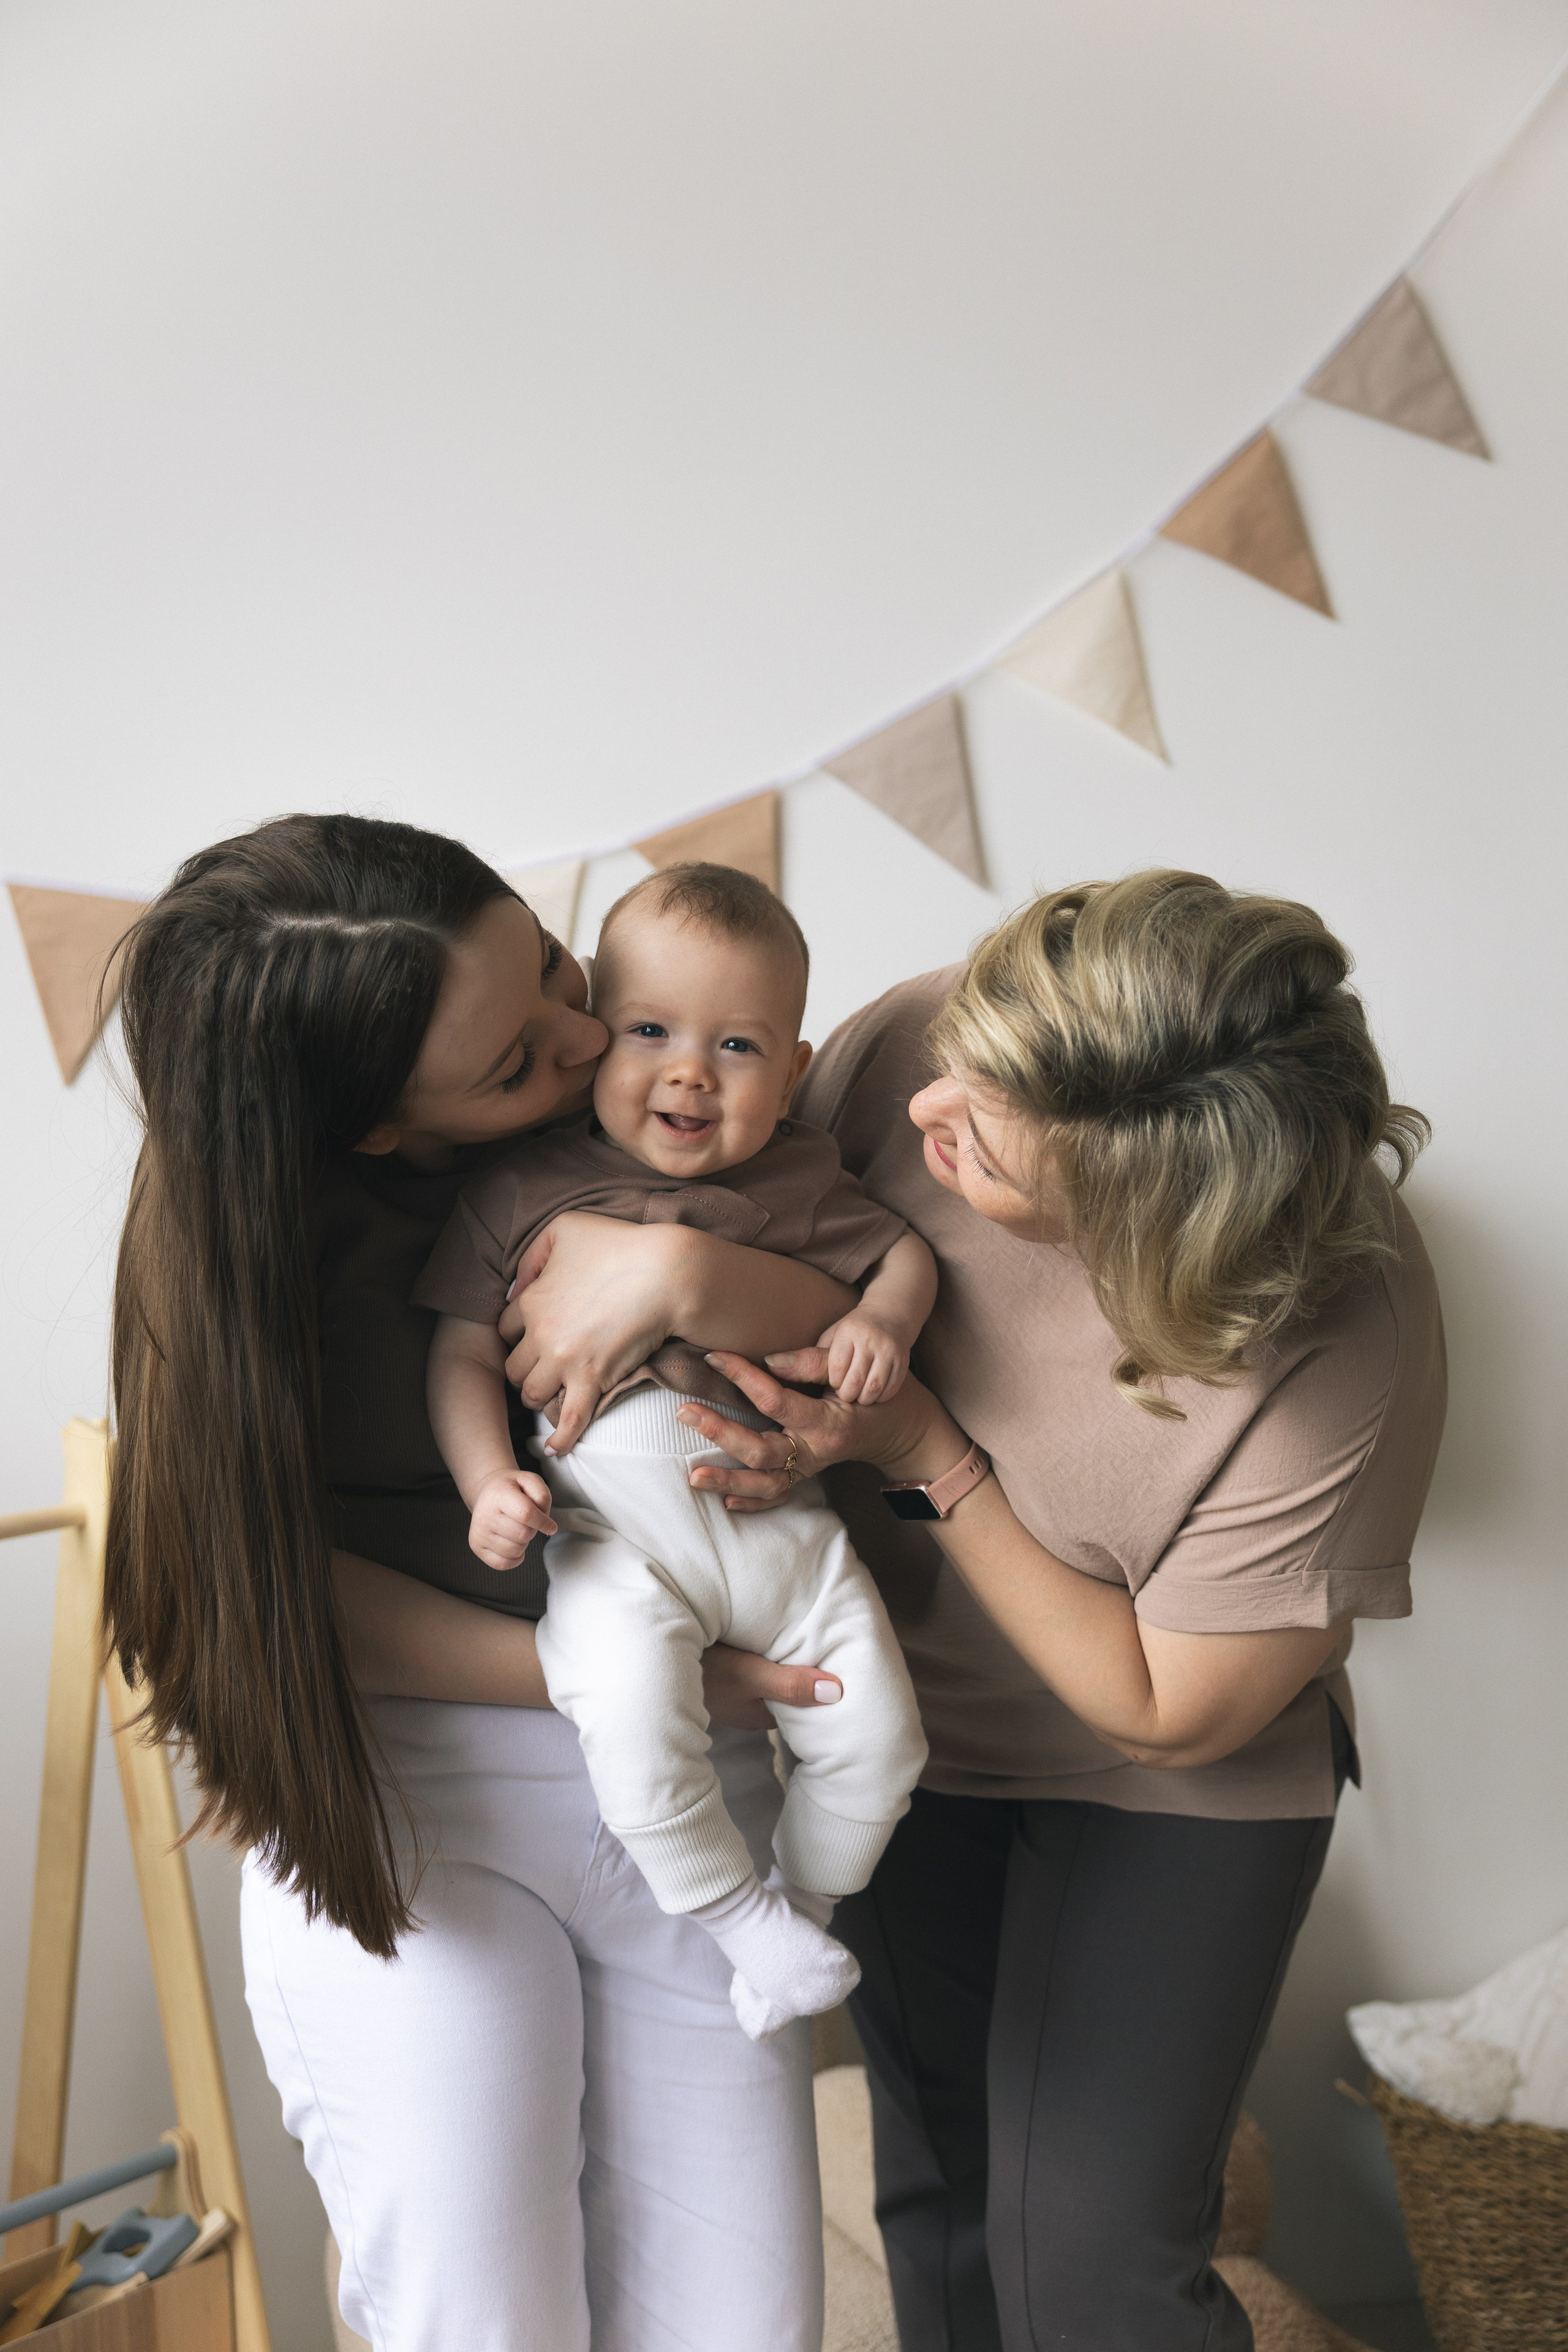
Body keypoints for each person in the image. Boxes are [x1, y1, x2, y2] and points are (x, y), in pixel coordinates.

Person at [568, 870, 1449, 2352]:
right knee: (946, 2207)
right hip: (908, 1745)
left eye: (978, 1130)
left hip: (1173, 1787)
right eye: (955, 1057)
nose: (925, 1107)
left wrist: (922, 1451)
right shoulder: (916, 1050)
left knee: (1093, 2271)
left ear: (1136, 1203)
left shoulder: (1339, 1326)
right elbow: (685, 1218)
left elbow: (1166, 1712)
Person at [102, 813, 859, 2352]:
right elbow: (265, 1596)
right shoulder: (243, 1259)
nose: (594, 1043)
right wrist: (621, 1678)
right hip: (409, 1812)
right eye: (520, 1059)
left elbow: (853, 1291)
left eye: (557, 968)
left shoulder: (655, 1103)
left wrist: (681, 1277)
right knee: (488, 2320)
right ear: (378, 1130)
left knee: (749, 2324)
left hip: (685, 1799)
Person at [417, 861, 932, 2040]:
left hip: (780, 1529)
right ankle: (736, 1922)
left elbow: (904, 1257)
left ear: (793, 1070)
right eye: (650, 1029)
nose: (690, 1069)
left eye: (740, 1046)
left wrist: (879, 1323)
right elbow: (454, 1354)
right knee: (633, 1721)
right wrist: (486, 1479)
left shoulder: (799, 1176)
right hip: (611, 1540)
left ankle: (800, 1917)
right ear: (599, 1034)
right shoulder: (521, 1186)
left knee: (882, 1737)